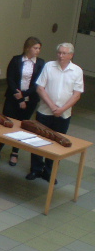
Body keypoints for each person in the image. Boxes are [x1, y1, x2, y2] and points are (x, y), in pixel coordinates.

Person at [27, 43, 84, 182]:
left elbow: (77, 94)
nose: (61, 56)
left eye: (64, 53)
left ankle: (49, 172)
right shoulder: (49, 66)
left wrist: (62, 109)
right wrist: (53, 106)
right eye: (59, 52)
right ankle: (35, 169)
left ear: (71, 55)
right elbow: (40, 88)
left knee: (58, 143)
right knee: (38, 140)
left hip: (63, 114)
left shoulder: (77, 71)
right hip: (45, 111)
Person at [0, 37, 45, 167]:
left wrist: (24, 95)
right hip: (13, 97)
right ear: (27, 48)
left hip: (30, 99)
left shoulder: (41, 63)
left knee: (22, 125)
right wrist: (19, 97)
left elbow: (38, 83)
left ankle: (15, 152)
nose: (38, 51)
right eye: (35, 48)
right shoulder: (16, 60)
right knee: (6, 123)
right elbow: (10, 79)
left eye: (39, 48)